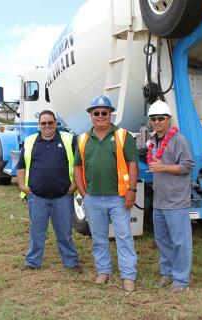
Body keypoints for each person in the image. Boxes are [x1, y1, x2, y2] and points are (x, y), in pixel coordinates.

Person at [73, 95, 139, 292]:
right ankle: (103, 271)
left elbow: (133, 165)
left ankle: (128, 275)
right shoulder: (84, 138)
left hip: (118, 197)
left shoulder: (122, 136)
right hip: (92, 198)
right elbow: (77, 167)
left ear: (110, 114)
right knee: (98, 237)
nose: (100, 116)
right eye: (96, 113)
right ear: (91, 116)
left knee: (124, 237)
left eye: (104, 112)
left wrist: (132, 191)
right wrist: (83, 192)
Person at [16, 110, 81, 273]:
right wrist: (22, 186)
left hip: (63, 196)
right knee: (37, 232)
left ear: (56, 123)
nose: (47, 126)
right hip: (37, 197)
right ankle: (32, 262)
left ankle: (71, 262)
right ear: (39, 125)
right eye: (43, 123)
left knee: (64, 232)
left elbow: (79, 165)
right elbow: (21, 166)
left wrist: (75, 185)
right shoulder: (30, 141)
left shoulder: (68, 140)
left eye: (50, 123)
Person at [146, 100, 195, 294]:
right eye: (153, 119)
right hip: (159, 201)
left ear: (168, 119)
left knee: (181, 242)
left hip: (176, 202)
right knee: (163, 241)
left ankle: (181, 280)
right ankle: (167, 273)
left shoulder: (178, 139)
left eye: (160, 118)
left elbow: (188, 166)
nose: (156, 122)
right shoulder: (153, 141)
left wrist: (162, 167)